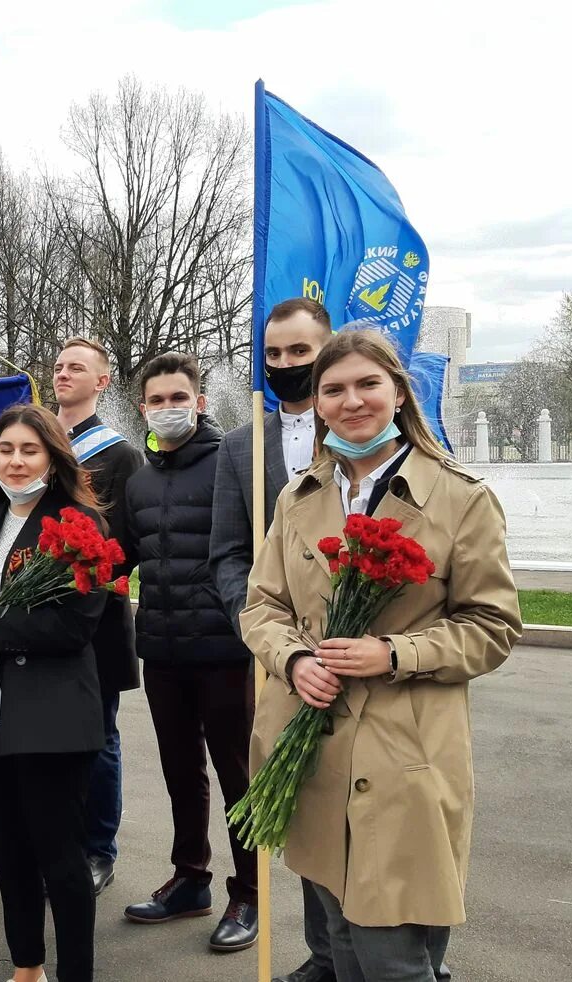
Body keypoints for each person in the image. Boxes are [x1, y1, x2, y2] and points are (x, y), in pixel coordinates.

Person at [242, 328, 521, 982]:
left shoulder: (461, 498)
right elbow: (262, 605)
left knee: (393, 957)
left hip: (404, 760)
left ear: (399, 392)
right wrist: (293, 660)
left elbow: (494, 625)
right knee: (335, 943)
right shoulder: (298, 495)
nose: (351, 400)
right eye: (333, 389)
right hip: (307, 754)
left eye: (368, 384)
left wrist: (393, 654)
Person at [0, 403, 108, 982]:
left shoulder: (79, 525)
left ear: (54, 457)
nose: (15, 462)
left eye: (29, 450)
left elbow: (75, 628)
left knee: (60, 862)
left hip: (51, 719)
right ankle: (26, 969)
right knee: (8, 857)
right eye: (5, 450)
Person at [211, 297, 341, 982]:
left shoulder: (355, 427)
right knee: (304, 802)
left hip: (356, 650)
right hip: (279, 657)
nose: (288, 364)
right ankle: (325, 955)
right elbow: (226, 554)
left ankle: (390, 959)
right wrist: (267, 634)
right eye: (275, 354)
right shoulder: (240, 446)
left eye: (301, 351)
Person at [121, 353, 258, 953]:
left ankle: (249, 890)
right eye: (157, 400)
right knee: (181, 771)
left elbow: (253, 550)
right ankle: (190, 877)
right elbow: (118, 555)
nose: (168, 409)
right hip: (162, 648)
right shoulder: (138, 479)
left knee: (236, 774)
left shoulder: (230, 463)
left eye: (179, 397)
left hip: (224, 648)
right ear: (142, 408)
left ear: (199, 402)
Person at [51, 337, 143, 895]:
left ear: (102, 382)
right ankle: (58, 841)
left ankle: (98, 850)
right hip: (34, 616)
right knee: (48, 736)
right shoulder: (38, 441)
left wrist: (77, 581)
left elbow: (125, 545)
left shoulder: (119, 455)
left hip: (95, 616)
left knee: (99, 737)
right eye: (59, 366)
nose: (63, 374)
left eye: (76, 368)